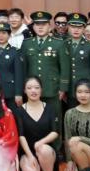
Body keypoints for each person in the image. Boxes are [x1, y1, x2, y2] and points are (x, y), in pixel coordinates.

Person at [20, 10, 69, 145]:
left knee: (54, 119)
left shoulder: (58, 43)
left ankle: (56, 148)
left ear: (49, 26)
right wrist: (24, 88)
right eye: (37, 24)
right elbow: (24, 68)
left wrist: (63, 88)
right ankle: (34, 146)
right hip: (32, 90)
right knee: (33, 119)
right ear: (33, 26)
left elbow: (64, 67)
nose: (40, 27)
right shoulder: (27, 43)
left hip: (52, 88)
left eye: (44, 24)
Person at [17, 76, 59, 171]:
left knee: (44, 149)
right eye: (29, 88)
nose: (33, 91)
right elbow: (21, 135)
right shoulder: (20, 111)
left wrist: (40, 143)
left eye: (36, 87)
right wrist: (30, 156)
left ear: (41, 90)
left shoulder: (50, 108)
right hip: (28, 151)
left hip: (47, 151)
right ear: (24, 91)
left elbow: (55, 132)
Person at [65, 13, 90, 105]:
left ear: (84, 29)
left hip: (86, 89)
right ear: (68, 27)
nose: (76, 30)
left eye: (79, 27)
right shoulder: (63, 45)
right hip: (69, 89)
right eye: (73, 27)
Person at [0, 22, 24, 113]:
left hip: (10, 91)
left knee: (12, 117)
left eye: (4, 33)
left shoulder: (15, 51)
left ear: (9, 35)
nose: (1, 36)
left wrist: (18, 93)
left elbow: (19, 74)